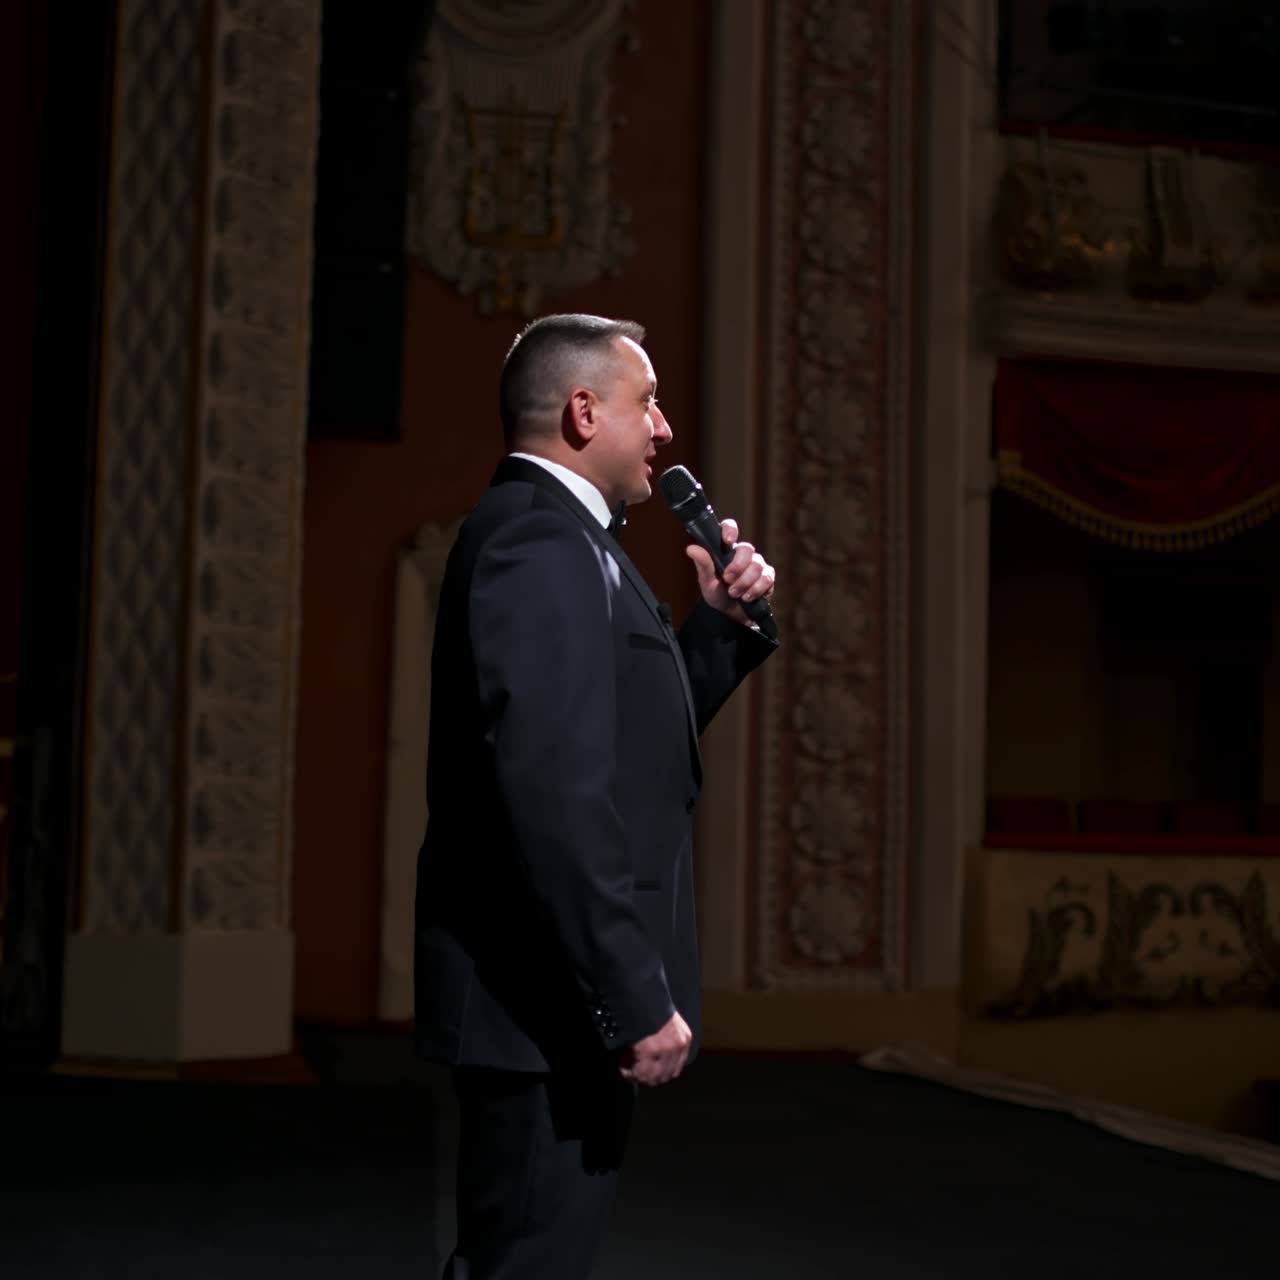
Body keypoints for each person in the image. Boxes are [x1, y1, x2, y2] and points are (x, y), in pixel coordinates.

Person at [414, 313, 778, 1277]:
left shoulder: (579, 544)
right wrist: (630, 994)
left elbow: (626, 749)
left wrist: (720, 629)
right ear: (583, 410)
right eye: (646, 402)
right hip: (547, 1006)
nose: (663, 430)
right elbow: (556, 796)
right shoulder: (540, 542)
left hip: (555, 1005)